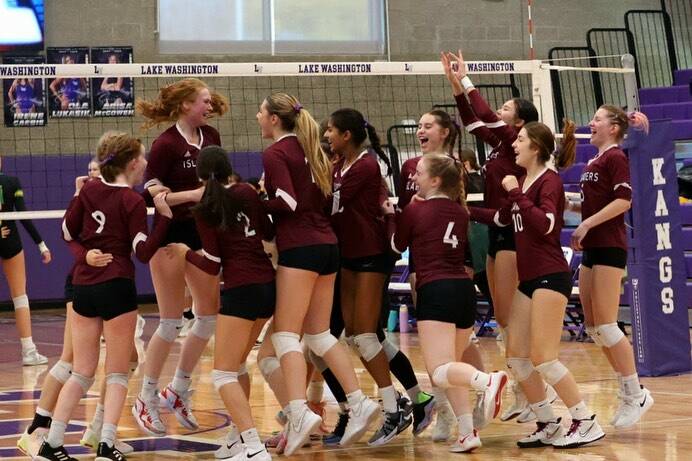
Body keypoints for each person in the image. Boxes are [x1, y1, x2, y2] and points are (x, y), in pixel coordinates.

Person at [36, 131, 172, 461]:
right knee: (116, 374)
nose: (146, 163)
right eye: (142, 157)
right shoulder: (133, 201)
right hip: (116, 287)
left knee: (81, 371)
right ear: (132, 163)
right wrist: (165, 220)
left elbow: (67, 232)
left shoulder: (88, 191)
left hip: (83, 286)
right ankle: (106, 445)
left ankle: (51, 444)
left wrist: (85, 256)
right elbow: (142, 252)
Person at [257, 93, 379, 456]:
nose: (259, 118)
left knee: (285, 336)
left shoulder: (277, 154)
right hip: (327, 246)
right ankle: (358, 402)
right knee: (320, 334)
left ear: (275, 120)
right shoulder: (312, 150)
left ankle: (298, 412)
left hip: (301, 248)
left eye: (262, 113)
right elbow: (323, 201)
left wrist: (252, 201)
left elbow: (288, 202)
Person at [479, 120, 605, 448]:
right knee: (518, 358)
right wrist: (456, 208)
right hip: (529, 279)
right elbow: (502, 219)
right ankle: (548, 422)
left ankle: (585, 419)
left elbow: (546, 225)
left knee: (545, 358)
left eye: (520, 140)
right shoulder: (522, 180)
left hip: (551, 275)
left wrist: (515, 193)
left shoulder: (548, 182)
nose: (515, 145)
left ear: (536, 147)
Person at [384, 153, 508, 453]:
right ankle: (467, 432)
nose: (414, 177)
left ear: (436, 180)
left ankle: (487, 380)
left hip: (435, 289)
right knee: (451, 368)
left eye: (420, 172)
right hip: (463, 291)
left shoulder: (416, 211)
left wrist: (392, 215)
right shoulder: (460, 211)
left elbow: (396, 246)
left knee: (439, 371)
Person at [442, 50, 542, 422]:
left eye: (505, 107)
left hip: (511, 235)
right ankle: (526, 390)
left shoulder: (517, 137)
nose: (498, 111)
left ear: (520, 121)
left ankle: (530, 393)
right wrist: (456, 88)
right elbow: (472, 121)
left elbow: (482, 114)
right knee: (502, 319)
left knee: (512, 322)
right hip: (497, 234)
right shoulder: (502, 144)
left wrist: (467, 79)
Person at [17, 160, 136, 458]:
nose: (93, 174)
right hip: (86, 282)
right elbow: (69, 235)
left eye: (98, 169)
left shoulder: (117, 195)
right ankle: (38, 427)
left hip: (106, 281)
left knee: (129, 358)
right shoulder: (86, 196)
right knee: (74, 362)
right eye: (90, 170)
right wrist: (85, 256)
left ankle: (96, 428)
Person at [131, 78, 229, 437]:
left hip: (202, 232)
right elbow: (152, 196)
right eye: (203, 101)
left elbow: (217, 186)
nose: (209, 105)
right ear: (186, 105)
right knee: (171, 323)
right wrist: (192, 195)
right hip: (170, 235)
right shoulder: (166, 145)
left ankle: (179, 389)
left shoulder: (212, 138)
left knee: (207, 316)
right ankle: (145, 397)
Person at [166, 146, 275, 461]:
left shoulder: (205, 208)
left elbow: (213, 265)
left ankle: (254, 447)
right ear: (230, 169)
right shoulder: (247, 192)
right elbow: (267, 231)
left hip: (240, 290)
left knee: (223, 374)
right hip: (268, 287)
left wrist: (186, 253)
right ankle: (237, 439)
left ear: (199, 176)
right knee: (238, 365)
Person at [325, 107, 413, 445]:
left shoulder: (365, 165)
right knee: (352, 337)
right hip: (348, 255)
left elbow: (333, 204)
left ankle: (392, 409)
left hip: (372, 255)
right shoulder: (339, 164)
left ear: (347, 135)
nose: (327, 136)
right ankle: (403, 401)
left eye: (331, 130)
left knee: (365, 336)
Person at [569, 106, 653, 428]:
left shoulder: (616, 157)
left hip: (609, 246)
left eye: (598, 119)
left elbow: (623, 202)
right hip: (592, 247)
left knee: (606, 325)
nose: (591, 123)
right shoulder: (594, 161)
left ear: (614, 128)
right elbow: (593, 203)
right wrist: (564, 203)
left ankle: (636, 394)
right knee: (592, 328)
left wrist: (586, 223)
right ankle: (627, 389)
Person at [0, 155, 51, 365]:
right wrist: (41, 245)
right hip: (10, 239)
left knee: (20, 297)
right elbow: (23, 216)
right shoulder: (12, 182)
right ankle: (29, 351)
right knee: (20, 297)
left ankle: (30, 351)